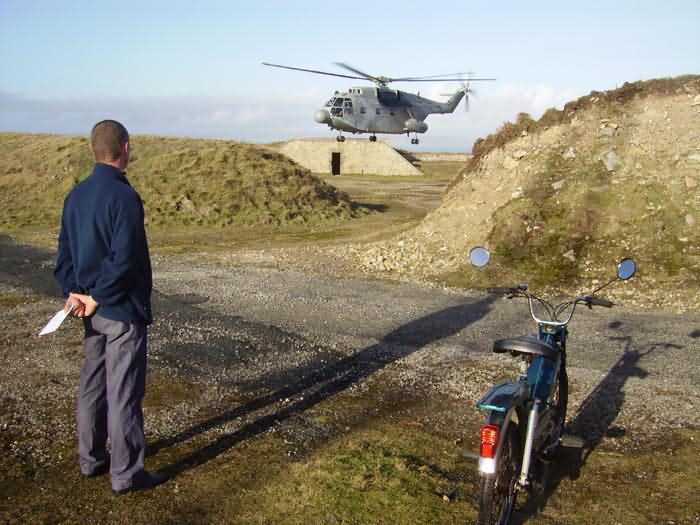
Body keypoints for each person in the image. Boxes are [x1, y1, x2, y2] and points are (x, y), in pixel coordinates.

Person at [54, 120, 165, 495]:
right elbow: (124, 259)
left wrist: (76, 292)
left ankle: (91, 459)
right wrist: (96, 295)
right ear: (126, 147)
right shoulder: (125, 197)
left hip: (90, 308)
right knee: (124, 392)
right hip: (119, 309)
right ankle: (127, 474)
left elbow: (64, 256)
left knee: (93, 385)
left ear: (93, 150)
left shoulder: (76, 196)